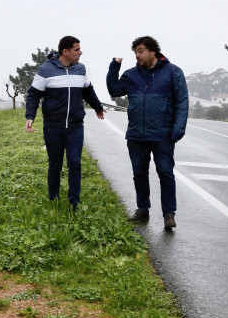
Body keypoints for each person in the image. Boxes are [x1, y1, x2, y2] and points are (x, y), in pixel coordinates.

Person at [106, 36, 188, 228]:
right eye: (135, 52)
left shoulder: (173, 72)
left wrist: (178, 129)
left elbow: (182, 102)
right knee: (139, 173)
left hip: (163, 134)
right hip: (136, 134)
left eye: (141, 51)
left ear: (153, 51)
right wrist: (114, 67)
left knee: (165, 172)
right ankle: (142, 210)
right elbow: (114, 90)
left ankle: (169, 214)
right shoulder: (131, 74)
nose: (137, 55)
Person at [25, 36, 105, 209]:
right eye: (77, 49)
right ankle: (53, 197)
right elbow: (33, 95)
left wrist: (97, 107)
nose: (80, 52)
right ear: (65, 51)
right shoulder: (45, 70)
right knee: (55, 164)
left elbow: (88, 91)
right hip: (53, 126)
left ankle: (74, 201)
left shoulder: (81, 69)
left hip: (76, 126)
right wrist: (30, 116)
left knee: (75, 162)